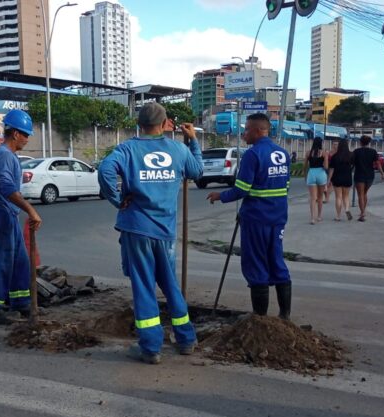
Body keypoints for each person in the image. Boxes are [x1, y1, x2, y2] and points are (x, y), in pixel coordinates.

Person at [98, 102, 202, 365]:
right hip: (165, 231)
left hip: (137, 228)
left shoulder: (128, 149)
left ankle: (151, 347)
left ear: (140, 123)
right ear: (165, 123)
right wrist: (193, 142)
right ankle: (186, 339)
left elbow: (105, 169)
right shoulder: (178, 149)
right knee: (170, 285)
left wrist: (116, 198)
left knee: (144, 287)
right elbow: (197, 171)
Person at [207, 113, 292, 321]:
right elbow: (285, 186)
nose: (243, 134)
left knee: (255, 264)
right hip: (278, 217)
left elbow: (241, 190)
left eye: (245, 130)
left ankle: (260, 318)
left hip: (256, 218)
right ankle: (284, 316)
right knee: (276, 261)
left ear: (256, 130)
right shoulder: (282, 153)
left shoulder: (253, 155)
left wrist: (220, 196)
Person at [0, 110, 43, 327]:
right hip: (0, 215)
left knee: (20, 262)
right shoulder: (5, 155)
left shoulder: (8, 155)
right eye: (25, 134)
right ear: (15, 133)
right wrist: (31, 210)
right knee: (2, 262)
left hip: (9, 215)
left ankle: (21, 302)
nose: (27, 139)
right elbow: (8, 188)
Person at [352, 135, 384, 222]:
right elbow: (378, 164)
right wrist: (382, 174)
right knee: (364, 193)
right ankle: (363, 211)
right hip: (370, 175)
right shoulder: (373, 151)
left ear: (360, 142)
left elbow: (351, 164)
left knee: (360, 195)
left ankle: (362, 213)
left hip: (359, 175)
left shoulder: (356, 151)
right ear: (368, 142)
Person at [304, 137, 329, 224]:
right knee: (320, 197)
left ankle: (312, 218)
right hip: (321, 174)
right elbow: (326, 167)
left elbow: (305, 166)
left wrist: (305, 176)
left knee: (313, 198)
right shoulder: (324, 153)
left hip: (311, 173)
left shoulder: (308, 153)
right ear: (321, 143)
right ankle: (319, 216)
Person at [328, 139, 354, 221]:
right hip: (347, 178)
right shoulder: (351, 155)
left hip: (337, 178)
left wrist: (328, 180)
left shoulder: (335, 157)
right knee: (346, 196)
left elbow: (331, 170)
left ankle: (338, 216)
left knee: (338, 197)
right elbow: (353, 166)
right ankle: (347, 209)